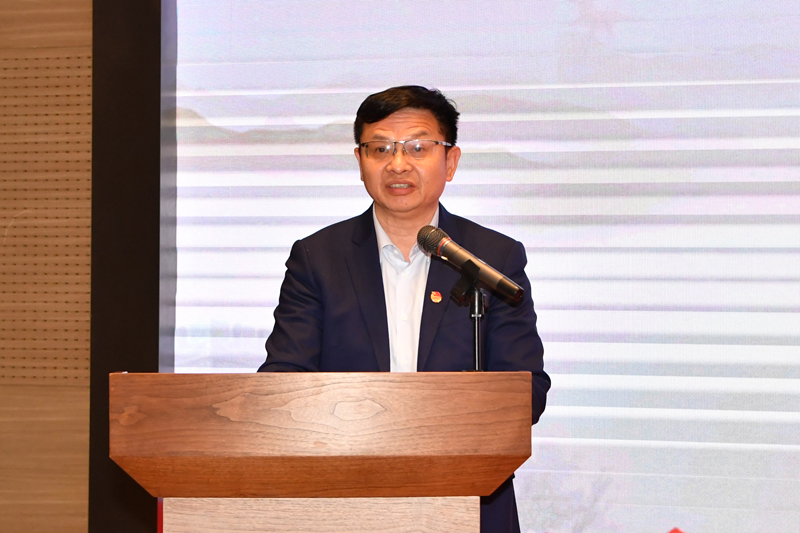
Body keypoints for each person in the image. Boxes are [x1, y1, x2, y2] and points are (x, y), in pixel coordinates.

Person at [259, 85, 550, 533]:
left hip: (467, 500)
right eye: (380, 149)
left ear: (450, 161)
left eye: (418, 148)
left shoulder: (492, 259)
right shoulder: (317, 258)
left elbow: (526, 389)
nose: (398, 164)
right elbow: (282, 380)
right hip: (343, 499)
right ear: (360, 161)